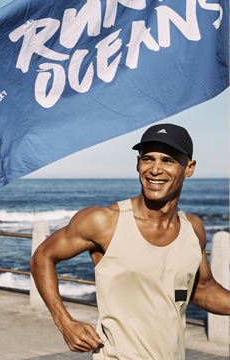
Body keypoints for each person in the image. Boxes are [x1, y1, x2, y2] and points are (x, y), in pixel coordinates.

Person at [30, 123, 230, 359]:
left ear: (189, 168)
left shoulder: (193, 229)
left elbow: (203, 291)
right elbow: (42, 256)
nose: (155, 169)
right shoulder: (104, 221)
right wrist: (64, 321)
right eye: (148, 159)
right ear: (138, 163)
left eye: (168, 160)